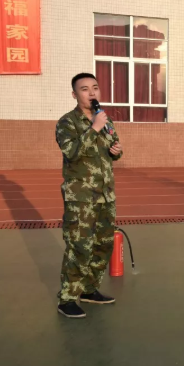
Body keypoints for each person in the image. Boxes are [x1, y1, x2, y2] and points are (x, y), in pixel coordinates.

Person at [55, 73, 123, 318]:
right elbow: (72, 152)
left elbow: (114, 148)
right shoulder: (67, 122)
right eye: (84, 89)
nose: (92, 92)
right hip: (81, 197)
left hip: (105, 195)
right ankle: (66, 299)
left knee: (103, 245)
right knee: (79, 247)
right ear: (75, 95)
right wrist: (93, 128)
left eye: (95, 87)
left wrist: (116, 150)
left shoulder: (105, 119)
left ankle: (89, 289)